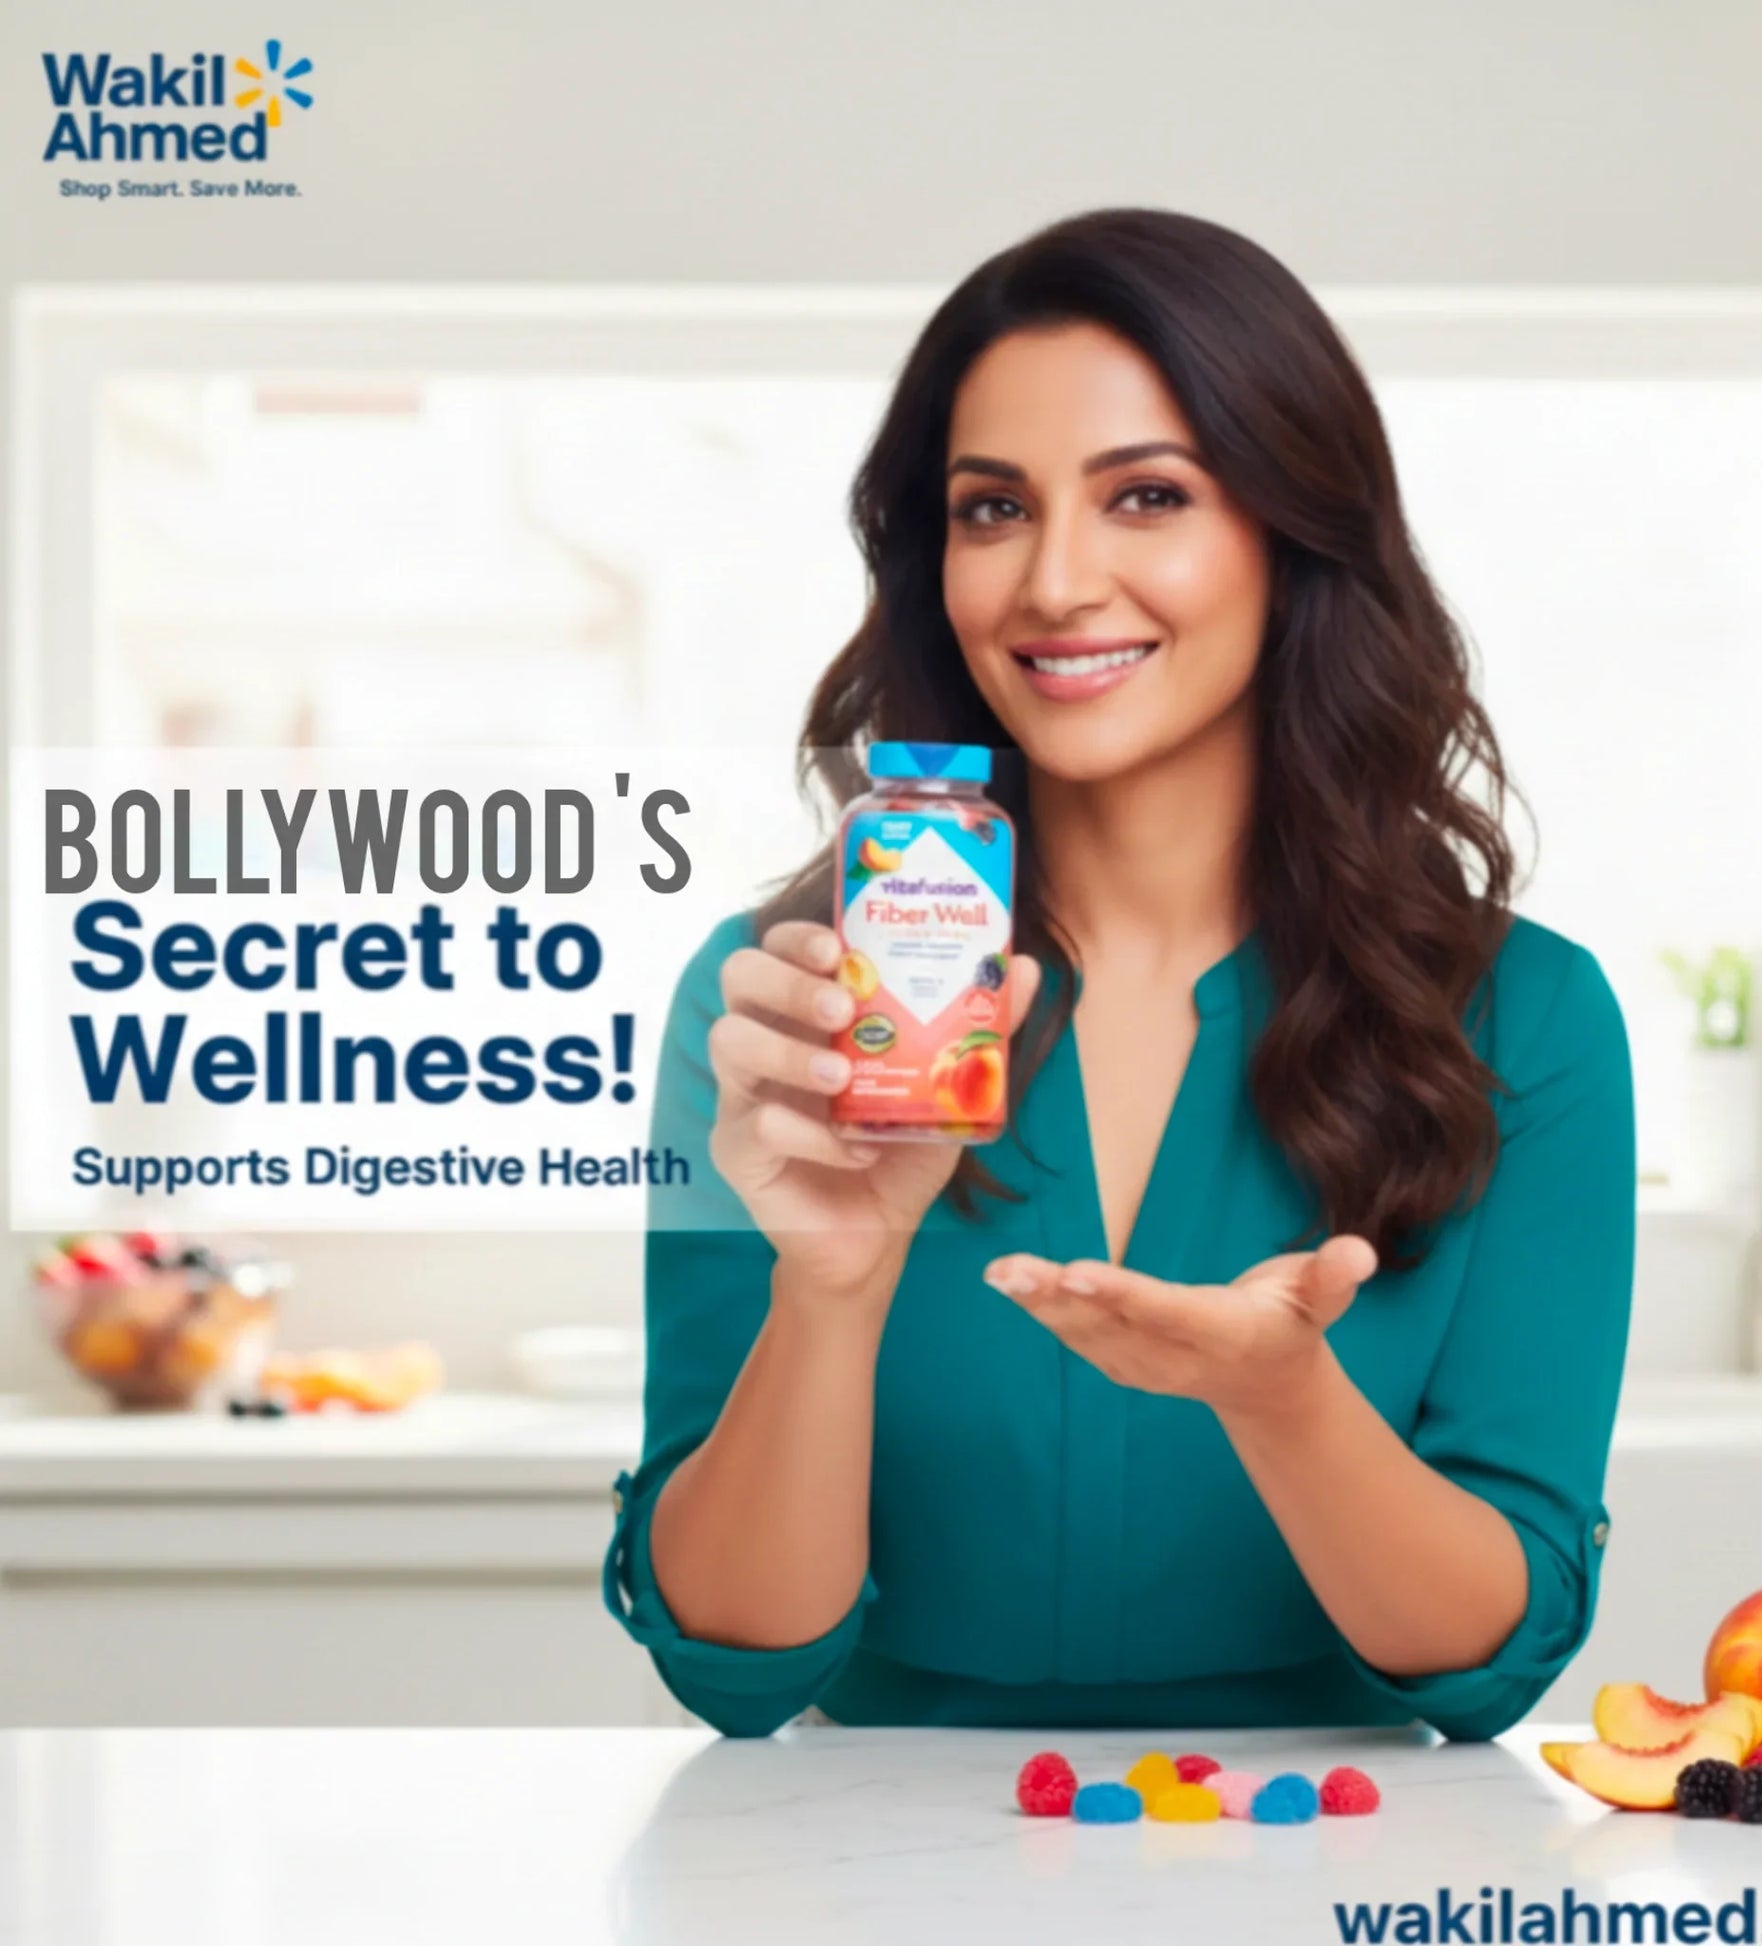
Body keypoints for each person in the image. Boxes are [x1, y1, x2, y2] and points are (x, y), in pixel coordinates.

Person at [602, 206, 1635, 1739]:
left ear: (1294, 533)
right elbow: (733, 1658)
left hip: (1330, 1851)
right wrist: (829, 1292)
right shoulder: (781, 1000)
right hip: (863, 1865)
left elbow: (1490, 1653)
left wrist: (1281, 1397)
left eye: (1146, 495)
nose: (1054, 583)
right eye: (991, 508)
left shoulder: (1525, 1019)